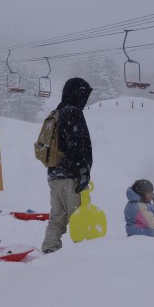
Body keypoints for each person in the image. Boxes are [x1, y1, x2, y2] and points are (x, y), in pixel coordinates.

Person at [41, 77, 93, 254]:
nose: (85, 100)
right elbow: (76, 144)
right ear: (77, 94)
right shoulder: (73, 112)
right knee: (80, 217)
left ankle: (50, 249)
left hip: (54, 174)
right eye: (84, 95)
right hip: (71, 175)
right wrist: (83, 170)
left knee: (58, 217)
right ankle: (82, 257)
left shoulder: (58, 111)